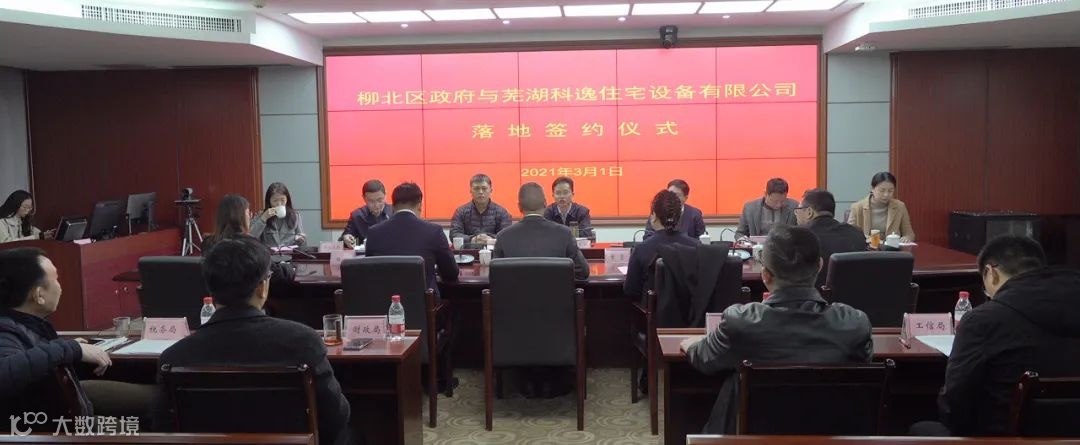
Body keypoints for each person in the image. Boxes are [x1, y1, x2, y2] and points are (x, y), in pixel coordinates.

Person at [153, 236, 352, 445]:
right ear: (262, 287)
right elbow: (336, 418)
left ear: (210, 288)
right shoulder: (304, 342)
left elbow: (163, 427)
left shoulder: (174, 358)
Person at [680, 224, 873, 434]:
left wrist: (691, 344)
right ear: (819, 265)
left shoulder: (741, 322)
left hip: (753, 434)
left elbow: (705, 359)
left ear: (765, 275)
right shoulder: (853, 324)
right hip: (826, 432)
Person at [912, 235, 1080, 437]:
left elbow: (954, 406)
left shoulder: (984, 321)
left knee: (921, 430)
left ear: (991, 273)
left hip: (1001, 438)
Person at [0, 248, 154, 428]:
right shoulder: (5, 330)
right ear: (39, 295)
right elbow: (5, 372)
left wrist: (68, 349)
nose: (60, 286)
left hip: (61, 406)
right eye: (56, 279)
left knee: (154, 400)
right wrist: (71, 348)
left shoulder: (28, 323)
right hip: (48, 427)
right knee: (137, 430)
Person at [366, 182, 460, 298]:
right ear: (420, 205)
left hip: (384, 302)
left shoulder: (373, 232)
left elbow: (370, 273)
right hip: (423, 304)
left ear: (393, 206)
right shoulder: (434, 231)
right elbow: (451, 273)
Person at [495, 182, 589, 281]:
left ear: (519, 207)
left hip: (515, 291)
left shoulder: (503, 236)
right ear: (545, 203)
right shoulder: (565, 233)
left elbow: (495, 276)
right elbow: (583, 272)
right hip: (555, 291)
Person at [624, 190, 699, 302]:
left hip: (652, 310)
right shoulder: (696, 246)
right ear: (679, 216)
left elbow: (631, 290)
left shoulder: (641, 249)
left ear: (653, 215)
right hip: (690, 311)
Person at [795, 189, 866, 287]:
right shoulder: (856, 232)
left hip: (813, 295)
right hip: (853, 293)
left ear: (809, 212)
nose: (796, 213)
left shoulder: (799, 236)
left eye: (798, 209)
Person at [847, 172, 915, 242]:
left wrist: (907, 237)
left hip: (892, 248)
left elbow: (909, 233)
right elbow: (849, 233)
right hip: (866, 247)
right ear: (872, 189)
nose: (886, 194)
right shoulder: (857, 207)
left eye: (890, 191)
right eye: (882, 191)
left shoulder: (900, 206)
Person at [449, 174, 512, 245]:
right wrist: (472, 239)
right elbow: (454, 235)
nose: (480, 192)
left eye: (484, 188)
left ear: (491, 190)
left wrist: (490, 239)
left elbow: (507, 236)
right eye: (476, 189)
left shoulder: (502, 212)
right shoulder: (461, 211)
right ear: (471, 191)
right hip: (468, 251)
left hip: (494, 251)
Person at [250, 182, 306, 249]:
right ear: (269, 201)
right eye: (275, 200)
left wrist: (300, 239)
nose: (279, 204)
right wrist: (264, 218)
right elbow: (250, 238)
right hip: (269, 254)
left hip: (289, 254)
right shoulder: (261, 215)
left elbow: (303, 242)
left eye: (283, 200)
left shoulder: (295, 216)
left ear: (287, 199)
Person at [341, 179, 391, 248]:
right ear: (364, 198)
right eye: (371, 201)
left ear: (385, 195)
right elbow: (346, 236)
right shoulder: (357, 215)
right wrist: (346, 238)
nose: (376, 205)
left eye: (380, 200)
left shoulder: (395, 212)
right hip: (367, 253)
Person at [542, 176, 595, 240]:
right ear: (553, 195)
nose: (562, 196)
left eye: (565, 192)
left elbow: (586, 235)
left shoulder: (582, 212)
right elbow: (545, 235)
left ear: (572, 194)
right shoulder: (548, 212)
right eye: (558, 193)